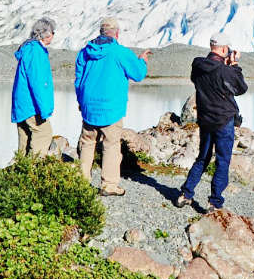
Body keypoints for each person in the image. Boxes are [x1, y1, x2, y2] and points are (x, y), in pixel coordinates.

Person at [74, 18, 151, 196]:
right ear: (116, 33)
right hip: (111, 108)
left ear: (101, 32)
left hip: (89, 107)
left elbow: (78, 80)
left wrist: (81, 101)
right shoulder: (120, 52)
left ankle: (81, 183)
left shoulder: (85, 52)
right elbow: (138, 74)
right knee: (111, 145)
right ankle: (108, 185)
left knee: (87, 143)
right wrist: (142, 61)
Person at [176, 33, 247, 210]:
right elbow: (241, 88)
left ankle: (186, 194)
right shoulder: (225, 70)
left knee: (203, 158)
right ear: (224, 49)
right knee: (222, 161)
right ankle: (214, 202)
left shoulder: (198, 65)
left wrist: (226, 66)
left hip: (205, 120)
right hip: (223, 121)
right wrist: (235, 66)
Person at [11, 17, 56, 157]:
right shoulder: (36, 51)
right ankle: (34, 171)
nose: (54, 35)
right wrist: (45, 110)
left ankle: (20, 172)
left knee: (25, 137)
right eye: (53, 32)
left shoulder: (29, 49)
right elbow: (38, 83)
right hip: (31, 105)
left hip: (22, 104)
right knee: (43, 133)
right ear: (46, 34)